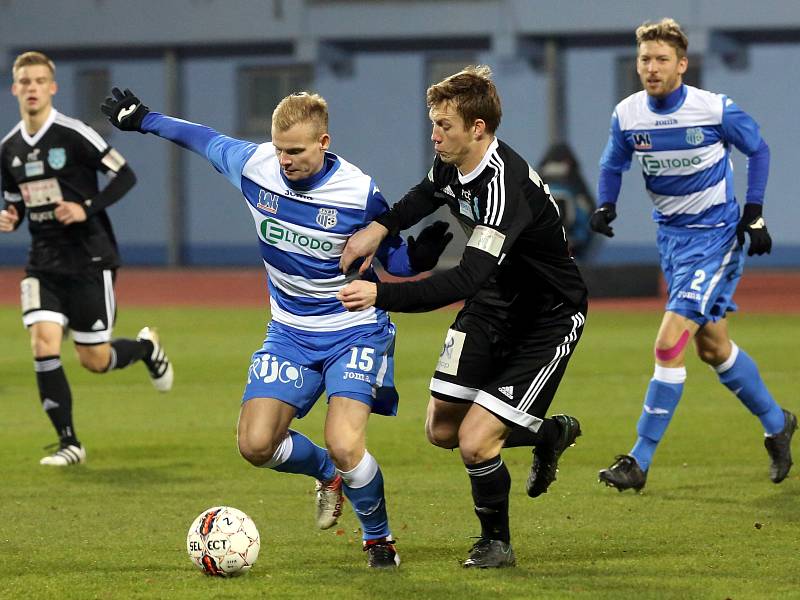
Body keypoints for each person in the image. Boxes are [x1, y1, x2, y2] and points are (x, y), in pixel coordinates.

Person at [101, 87, 451, 569]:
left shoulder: (357, 191)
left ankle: (379, 541)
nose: (284, 160)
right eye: (279, 149)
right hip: (288, 331)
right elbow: (199, 138)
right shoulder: (255, 164)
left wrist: (419, 258)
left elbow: (391, 257)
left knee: (346, 441)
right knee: (256, 445)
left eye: (296, 151)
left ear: (323, 141)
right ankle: (327, 474)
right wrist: (144, 119)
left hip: (353, 329)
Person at [337, 66, 588, 568]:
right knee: (442, 431)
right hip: (494, 304)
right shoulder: (452, 163)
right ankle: (547, 432)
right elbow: (424, 195)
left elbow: (462, 282)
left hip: (546, 317)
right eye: (433, 123)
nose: (435, 135)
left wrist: (380, 294)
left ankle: (496, 543)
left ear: (478, 128)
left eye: (444, 125)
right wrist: (379, 229)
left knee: (476, 442)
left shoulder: (504, 188)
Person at [591, 18, 796, 492]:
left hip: (716, 238)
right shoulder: (628, 114)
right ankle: (777, 422)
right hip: (673, 241)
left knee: (668, 341)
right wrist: (606, 203)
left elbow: (758, 149)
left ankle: (638, 460)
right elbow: (611, 161)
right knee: (713, 348)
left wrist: (755, 212)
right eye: (645, 59)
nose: (651, 67)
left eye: (662, 59)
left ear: (681, 64)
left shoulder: (712, 109)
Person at [0, 51, 173, 467]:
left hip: (90, 259)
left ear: (52, 87)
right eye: (25, 81)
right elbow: (15, 204)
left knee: (94, 360)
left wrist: (86, 207)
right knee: (42, 343)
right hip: (42, 262)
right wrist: (9, 217)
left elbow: (125, 174)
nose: (32, 88)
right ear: (14, 88)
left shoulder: (74, 134)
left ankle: (146, 350)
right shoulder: (8, 148)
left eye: (40, 80)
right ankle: (69, 443)